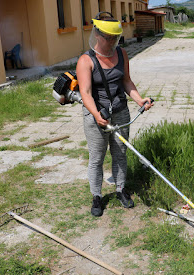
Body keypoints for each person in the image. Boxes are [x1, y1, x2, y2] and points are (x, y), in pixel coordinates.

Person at [76, 12, 153, 217]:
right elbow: (84, 92)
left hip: (120, 111)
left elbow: (126, 80)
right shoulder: (86, 60)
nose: (111, 42)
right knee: (97, 157)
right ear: (98, 35)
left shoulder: (122, 54)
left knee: (120, 152)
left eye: (115, 38)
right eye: (108, 38)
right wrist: (96, 115)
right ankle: (97, 196)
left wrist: (139, 100)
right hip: (97, 114)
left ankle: (120, 189)